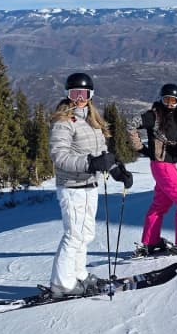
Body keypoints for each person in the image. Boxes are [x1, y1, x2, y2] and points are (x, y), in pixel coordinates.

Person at [48, 72, 133, 297]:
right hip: (72, 187)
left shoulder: (92, 120)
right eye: (74, 93)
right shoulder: (63, 122)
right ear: (68, 94)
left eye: (83, 94)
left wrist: (115, 169)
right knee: (73, 234)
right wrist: (91, 163)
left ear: (90, 95)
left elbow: (100, 153)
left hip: (90, 186)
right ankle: (62, 284)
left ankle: (79, 275)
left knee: (85, 235)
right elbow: (60, 156)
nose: (79, 98)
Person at [132, 82, 177, 255]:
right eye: (167, 99)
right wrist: (140, 148)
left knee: (161, 204)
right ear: (161, 98)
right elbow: (131, 126)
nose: (170, 103)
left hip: (166, 165)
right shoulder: (154, 115)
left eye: (174, 100)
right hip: (162, 165)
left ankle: (151, 241)